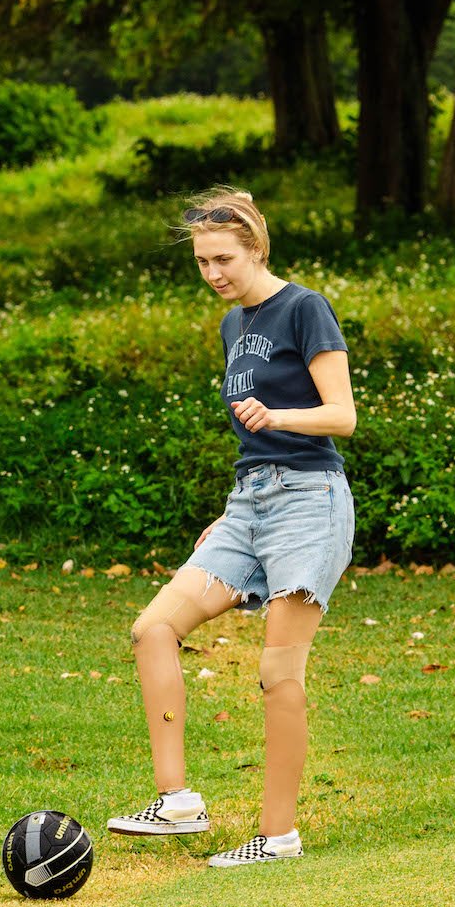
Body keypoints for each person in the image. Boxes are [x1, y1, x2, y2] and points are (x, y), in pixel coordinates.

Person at [107, 187, 357, 868]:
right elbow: (254, 441)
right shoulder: (232, 326)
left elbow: (342, 416)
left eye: (223, 258)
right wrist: (232, 509)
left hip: (310, 500)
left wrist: (280, 418)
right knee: (152, 627)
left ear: (256, 248)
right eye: (202, 263)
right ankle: (177, 800)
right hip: (250, 503)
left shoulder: (304, 308)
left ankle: (277, 835)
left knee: (279, 672)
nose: (213, 273)